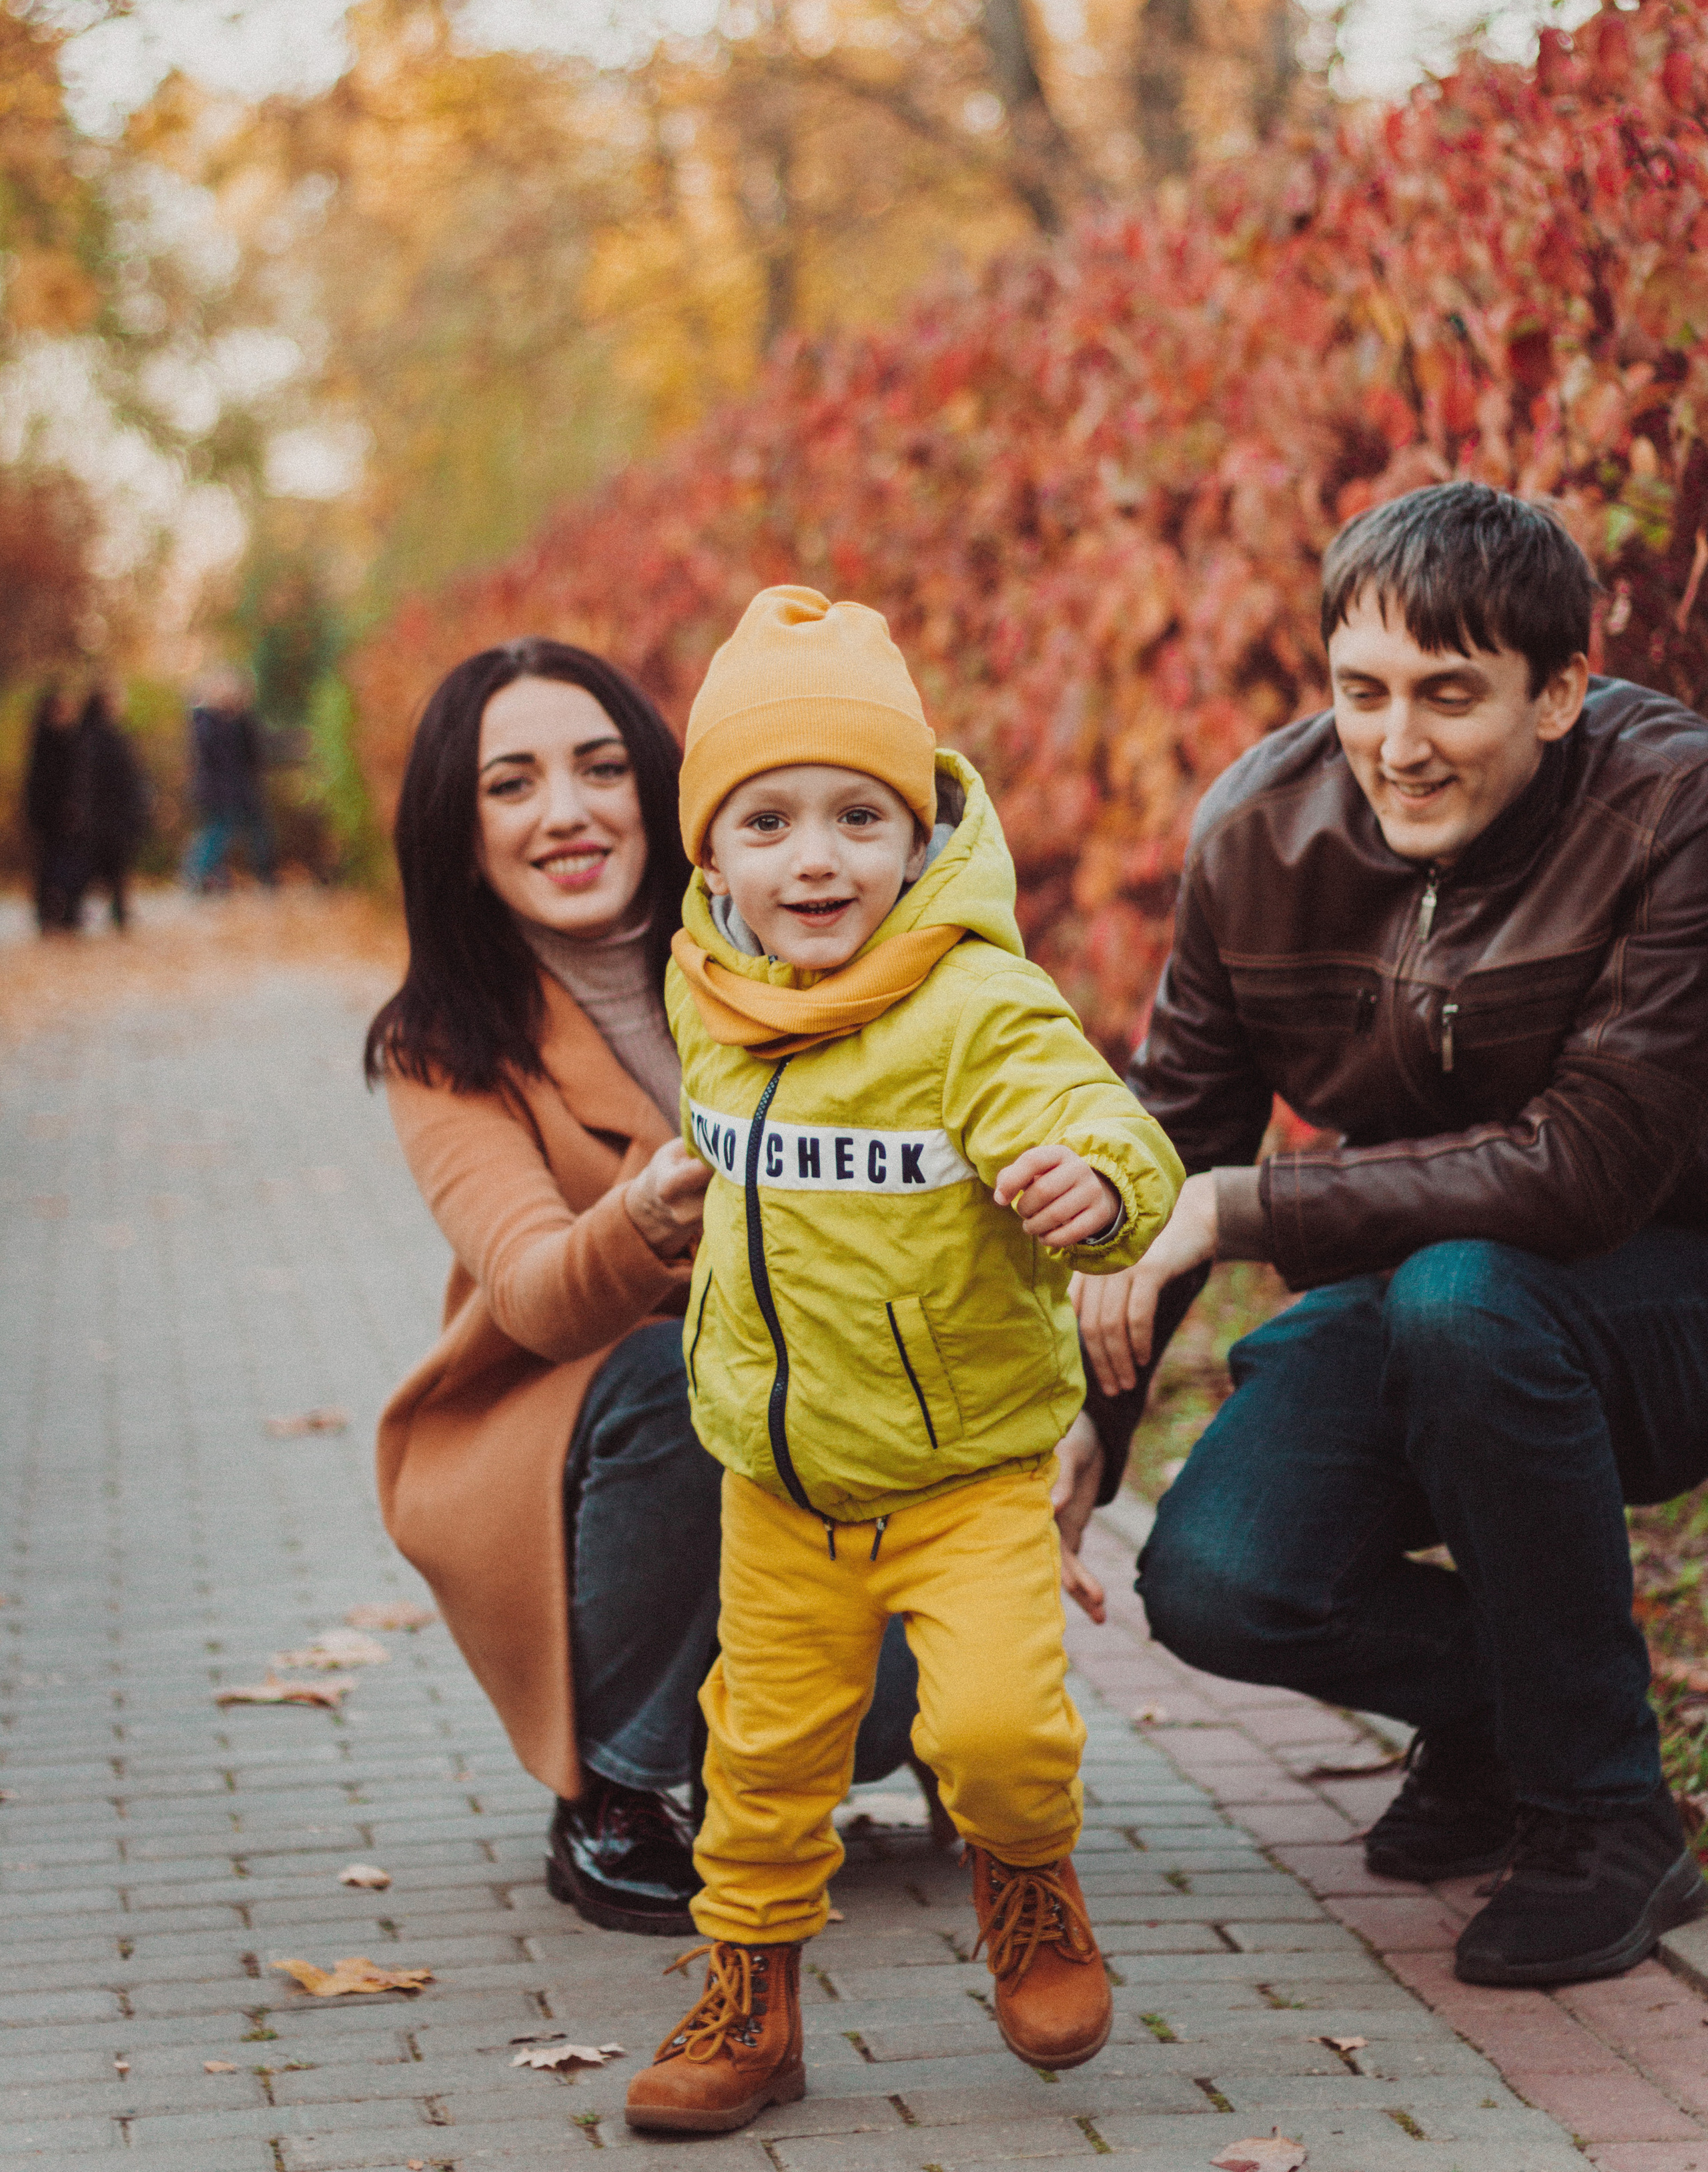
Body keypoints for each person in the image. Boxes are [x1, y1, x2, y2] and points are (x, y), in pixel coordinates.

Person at [1055, 480, 1708, 1992]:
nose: (1394, 743)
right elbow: (1178, 1138)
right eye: (1360, 690)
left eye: (1447, 695)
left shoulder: (1672, 805)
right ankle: (1496, 1723)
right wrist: (1085, 1423)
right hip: (1440, 1291)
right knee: (1220, 1575)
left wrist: (1241, 1209)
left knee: (1461, 1292)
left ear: (1556, 692)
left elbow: (1583, 1171)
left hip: (1666, 1289)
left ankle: (1604, 1814)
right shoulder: (1256, 836)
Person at [622, 588, 1183, 2137]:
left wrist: (1094, 1186)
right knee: (755, 1755)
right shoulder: (706, 993)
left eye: (860, 814)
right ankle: (752, 1999)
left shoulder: (970, 1001)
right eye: (770, 820)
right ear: (714, 855)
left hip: (964, 1474)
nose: (817, 857)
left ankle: (1028, 1882)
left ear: (921, 826)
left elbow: (1103, 1124)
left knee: (996, 1730)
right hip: (777, 1481)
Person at [366, 637, 927, 1939]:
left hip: (823, 1442)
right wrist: (650, 1212)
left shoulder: (785, 945)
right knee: (678, 1380)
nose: (564, 812)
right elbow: (532, 1291)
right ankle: (615, 1790)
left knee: (905, 1716)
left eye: (600, 769)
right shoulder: (442, 1046)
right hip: (573, 1433)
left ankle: (796, 1733)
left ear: (664, 791)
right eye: (512, 785)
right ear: (461, 836)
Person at [66, 685, 150, 930]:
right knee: (97, 864)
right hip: (107, 814)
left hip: (114, 813)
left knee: (114, 865)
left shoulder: (108, 734)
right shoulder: (96, 736)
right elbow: (101, 778)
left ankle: (118, 910)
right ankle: (76, 910)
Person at [184, 670, 276, 891]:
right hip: (220, 790)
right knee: (219, 831)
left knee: (232, 831)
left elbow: (253, 752)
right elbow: (214, 757)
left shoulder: (235, 720)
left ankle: (207, 875)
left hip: (234, 788)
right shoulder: (207, 721)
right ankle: (196, 873)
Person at [23, 682, 80, 931]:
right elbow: (46, 783)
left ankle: (62, 910)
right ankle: (51, 911)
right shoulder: (49, 742)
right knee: (53, 865)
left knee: (59, 863)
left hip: (60, 815)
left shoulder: (61, 739)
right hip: (53, 816)